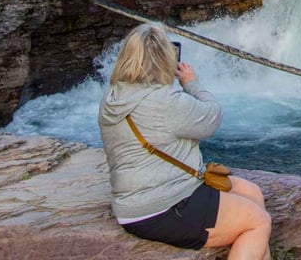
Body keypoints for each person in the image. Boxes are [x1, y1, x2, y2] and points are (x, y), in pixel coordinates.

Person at [98, 22, 272, 260]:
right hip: (164, 206)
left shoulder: (113, 96)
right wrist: (191, 83)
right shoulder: (165, 101)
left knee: (253, 193)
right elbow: (211, 118)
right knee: (258, 222)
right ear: (164, 59)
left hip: (142, 199)